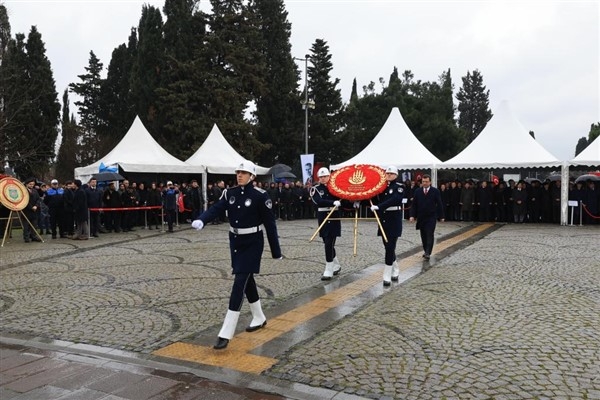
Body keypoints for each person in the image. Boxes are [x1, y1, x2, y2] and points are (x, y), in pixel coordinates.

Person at [191, 161, 282, 350]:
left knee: (239, 282)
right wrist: (202, 219)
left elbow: (270, 224)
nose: (239, 175)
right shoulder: (230, 193)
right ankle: (259, 316)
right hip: (236, 243)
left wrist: (276, 251)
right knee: (247, 280)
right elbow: (216, 208)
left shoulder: (260, 195)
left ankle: (226, 332)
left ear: (252, 176)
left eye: (244, 172)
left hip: (253, 243)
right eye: (238, 172)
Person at [369, 166, 405, 286]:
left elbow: (395, 199)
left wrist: (380, 207)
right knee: (387, 246)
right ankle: (395, 268)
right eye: (387, 173)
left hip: (394, 219)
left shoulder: (399, 187)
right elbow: (374, 198)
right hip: (383, 219)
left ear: (396, 175)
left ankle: (387, 273)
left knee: (390, 246)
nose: (388, 175)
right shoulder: (382, 187)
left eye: (391, 173)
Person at [310, 167, 345, 280]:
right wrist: (331, 202)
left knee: (329, 242)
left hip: (334, 217)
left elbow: (342, 199)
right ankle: (336, 264)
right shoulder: (315, 189)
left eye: (325, 176)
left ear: (329, 176)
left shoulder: (335, 188)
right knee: (327, 241)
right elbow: (318, 202)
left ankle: (329, 268)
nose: (323, 178)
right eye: (321, 177)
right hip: (323, 217)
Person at [409, 174, 444, 260]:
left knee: (429, 234)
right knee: (423, 235)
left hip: (431, 216)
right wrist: (412, 215)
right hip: (421, 217)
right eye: (423, 182)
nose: (425, 183)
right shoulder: (418, 191)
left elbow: (439, 204)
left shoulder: (435, 191)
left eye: (426, 182)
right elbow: (414, 205)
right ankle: (425, 250)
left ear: (430, 182)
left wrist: (441, 216)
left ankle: (428, 252)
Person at [21, 177, 41, 242]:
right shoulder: (24, 191)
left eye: (33, 184)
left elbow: (38, 199)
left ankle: (33, 236)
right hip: (27, 210)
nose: (31, 185)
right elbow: (25, 200)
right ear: (26, 184)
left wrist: (36, 206)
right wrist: (31, 207)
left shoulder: (35, 190)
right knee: (26, 225)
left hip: (35, 210)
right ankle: (26, 237)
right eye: (30, 184)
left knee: (34, 224)